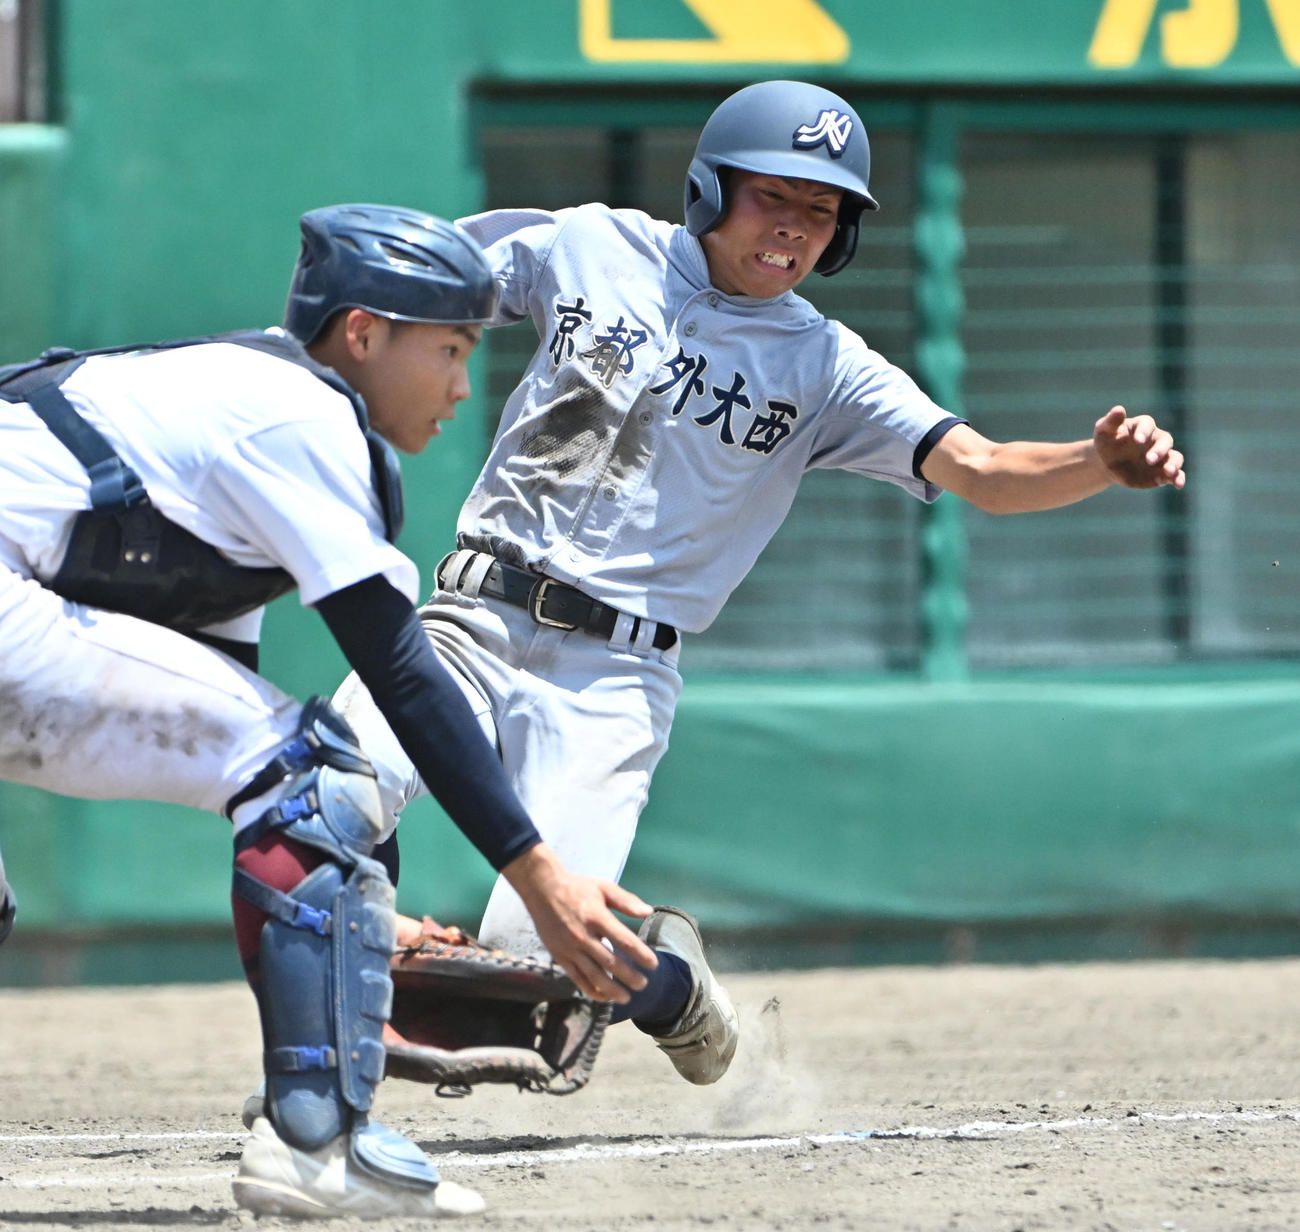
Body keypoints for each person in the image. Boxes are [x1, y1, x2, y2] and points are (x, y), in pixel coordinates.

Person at [334, 80, 1188, 1089]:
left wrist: (1098, 463)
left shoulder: (824, 364)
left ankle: (668, 987)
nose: (793, 227)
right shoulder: (594, 246)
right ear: (709, 189)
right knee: (327, 788)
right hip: (471, 618)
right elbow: (426, 275)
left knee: (529, 972)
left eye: (821, 212)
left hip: (612, 673)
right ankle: (340, 1022)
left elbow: (985, 469)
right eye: (771, 197)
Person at [0, 203, 658, 1219]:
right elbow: (398, 671)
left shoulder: (227, 405)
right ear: (363, 333)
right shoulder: (299, 417)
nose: (460, 382)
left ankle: (316, 1117)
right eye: (448, 346)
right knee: (313, 776)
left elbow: (223, 731)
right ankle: (315, 1143)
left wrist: (355, 913)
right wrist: (537, 871)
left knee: (291, 785)